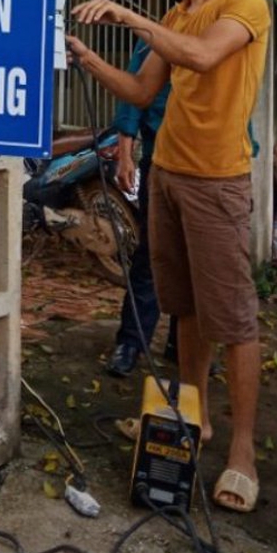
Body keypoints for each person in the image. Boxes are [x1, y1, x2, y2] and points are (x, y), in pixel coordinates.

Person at [66, 0, 269, 515]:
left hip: (217, 183)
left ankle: (242, 453)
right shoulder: (177, 14)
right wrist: (89, 59)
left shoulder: (245, 6)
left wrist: (129, 15)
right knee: (181, 307)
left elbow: (204, 57)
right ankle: (192, 420)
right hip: (168, 176)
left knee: (231, 315)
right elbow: (141, 91)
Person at [105, 39, 172, 377]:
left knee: (198, 262)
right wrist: (126, 153)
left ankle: (183, 341)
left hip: (215, 173)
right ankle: (131, 342)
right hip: (162, 165)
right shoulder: (156, 46)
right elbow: (133, 100)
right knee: (152, 256)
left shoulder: (227, 43)